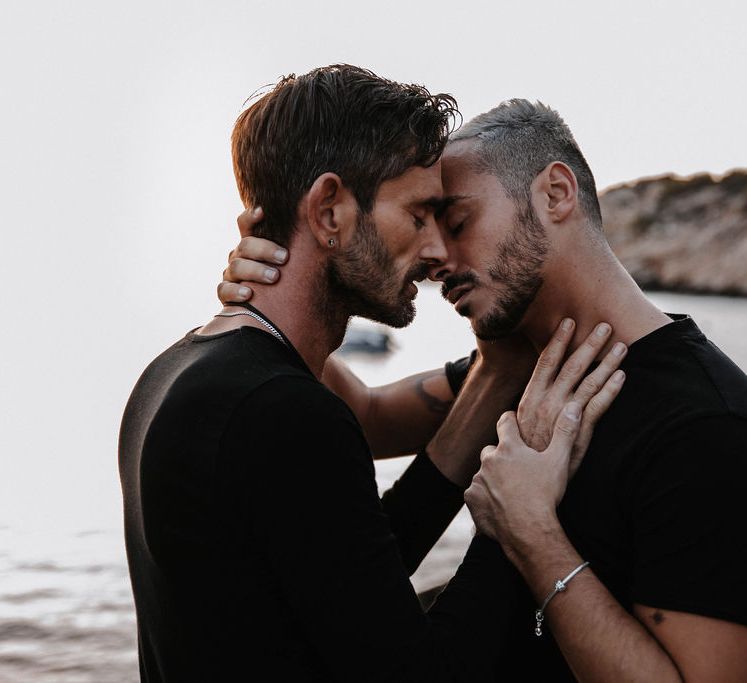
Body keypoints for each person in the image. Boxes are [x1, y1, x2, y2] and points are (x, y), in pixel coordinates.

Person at [119, 67, 624, 682]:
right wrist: (518, 520)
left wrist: (500, 371)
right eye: (418, 215)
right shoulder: (284, 413)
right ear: (330, 210)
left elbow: (351, 571)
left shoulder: (171, 373)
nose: (439, 252)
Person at [221, 99, 747, 680]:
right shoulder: (516, 364)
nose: (436, 259)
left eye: (460, 223)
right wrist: (278, 284)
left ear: (555, 193)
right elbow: (364, 418)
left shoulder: (704, 427)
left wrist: (531, 533)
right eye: (425, 223)